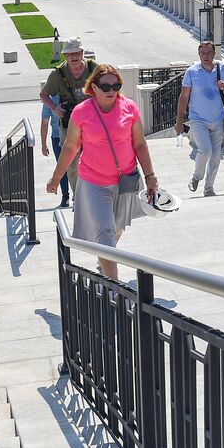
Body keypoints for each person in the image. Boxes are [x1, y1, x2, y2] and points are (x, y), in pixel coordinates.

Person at [45, 65, 158, 280]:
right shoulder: (82, 112)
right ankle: (115, 289)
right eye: (105, 86)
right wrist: (56, 177)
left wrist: (151, 176)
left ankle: (105, 257)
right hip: (94, 183)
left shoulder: (129, 108)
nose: (111, 90)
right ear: (93, 88)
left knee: (116, 228)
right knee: (106, 233)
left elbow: (140, 144)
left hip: (126, 180)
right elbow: (70, 147)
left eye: (116, 85)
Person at [174, 40, 224, 196]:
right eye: (203, 53)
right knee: (205, 150)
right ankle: (196, 177)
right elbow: (183, 97)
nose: (206, 56)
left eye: (209, 53)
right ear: (199, 54)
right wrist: (179, 121)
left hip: (218, 118)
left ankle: (209, 188)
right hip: (198, 119)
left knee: (215, 156)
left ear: (214, 54)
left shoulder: (222, 68)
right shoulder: (192, 72)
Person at [40, 38, 96, 200]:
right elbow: (44, 95)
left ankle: (95, 192)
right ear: (65, 56)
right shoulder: (58, 75)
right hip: (69, 125)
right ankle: (78, 197)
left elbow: (110, 86)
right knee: (72, 162)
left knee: (97, 156)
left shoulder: (94, 69)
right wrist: (55, 108)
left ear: (82, 53)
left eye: (77, 53)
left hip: (93, 123)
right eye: (70, 54)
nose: (74, 57)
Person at [40, 90, 69, 208]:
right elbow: (45, 123)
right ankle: (75, 195)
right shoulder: (69, 95)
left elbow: (45, 123)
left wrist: (43, 144)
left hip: (58, 138)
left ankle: (65, 196)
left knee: (61, 167)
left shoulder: (49, 101)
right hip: (69, 136)